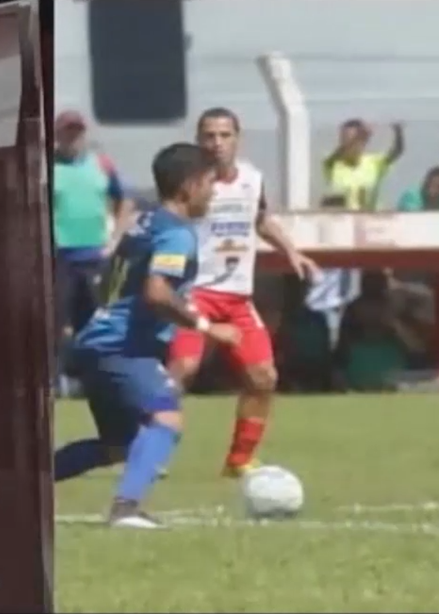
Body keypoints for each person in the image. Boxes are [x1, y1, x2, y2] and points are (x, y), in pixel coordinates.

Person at [56, 142, 241, 528]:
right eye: (210, 182)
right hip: (122, 348)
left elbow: (108, 280)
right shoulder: (177, 234)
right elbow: (157, 292)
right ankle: (126, 509)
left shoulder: (144, 222)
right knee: (165, 418)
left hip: (97, 342)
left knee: (117, 445)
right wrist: (207, 327)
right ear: (189, 185)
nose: (213, 192)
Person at [170, 107, 321, 478]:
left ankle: (239, 461)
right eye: (209, 135)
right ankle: (148, 450)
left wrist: (291, 251)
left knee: (263, 377)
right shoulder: (188, 183)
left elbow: (260, 219)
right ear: (198, 140)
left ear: (238, 139)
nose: (217, 143)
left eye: (225, 135)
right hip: (195, 292)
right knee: (182, 370)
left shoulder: (252, 178)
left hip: (237, 298)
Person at [52, 110, 136, 396]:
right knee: (55, 322)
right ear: (57, 135)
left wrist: (115, 238)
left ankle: (96, 381)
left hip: (94, 258)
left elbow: (125, 200)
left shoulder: (101, 164)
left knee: (94, 323)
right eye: (67, 132)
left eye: (77, 132)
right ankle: (54, 382)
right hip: (58, 257)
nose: (72, 138)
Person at [321, 119, 404, 211]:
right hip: (344, 218)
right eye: (343, 139)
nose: (348, 143)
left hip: (371, 217)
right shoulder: (332, 163)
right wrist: (357, 137)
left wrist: (398, 131)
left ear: (364, 142)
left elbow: (396, 152)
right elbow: (339, 152)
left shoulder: (374, 162)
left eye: (356, 139)